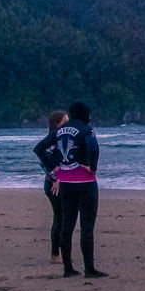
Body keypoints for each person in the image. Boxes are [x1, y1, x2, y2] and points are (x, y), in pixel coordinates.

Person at [42, 101, 105, 278]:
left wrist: (54, 167)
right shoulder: (87, 129)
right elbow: (93, 146)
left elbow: (40, 149)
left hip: (66, 183)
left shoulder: (60, 131)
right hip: (85, 183)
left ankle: (68, 268)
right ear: (85, 114)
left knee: (67, 225)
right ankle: (89, 269)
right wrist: (91, 166)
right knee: (87, 227)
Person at [32, 109, 69, 264]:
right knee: (60, 218)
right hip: (53, 185)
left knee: (61, 218)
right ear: (57, 123)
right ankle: (56, 254)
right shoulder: (53, 138)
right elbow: (41, 155)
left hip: (57, 183)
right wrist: (56, 175)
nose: (68, 125)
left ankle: (58, 253)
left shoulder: (59, 139)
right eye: (65, 122)